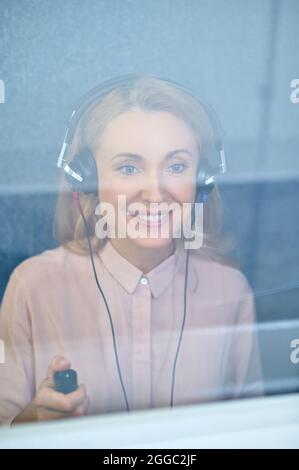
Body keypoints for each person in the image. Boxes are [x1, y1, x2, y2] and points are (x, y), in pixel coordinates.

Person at [0, 75, 263, 425]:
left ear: (202, 180)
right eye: (128, 167)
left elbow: (251, 433)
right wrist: (33, 420)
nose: (155, 193)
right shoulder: (33, 286)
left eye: (176, 166)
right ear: (88, 180)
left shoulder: (231, 291)